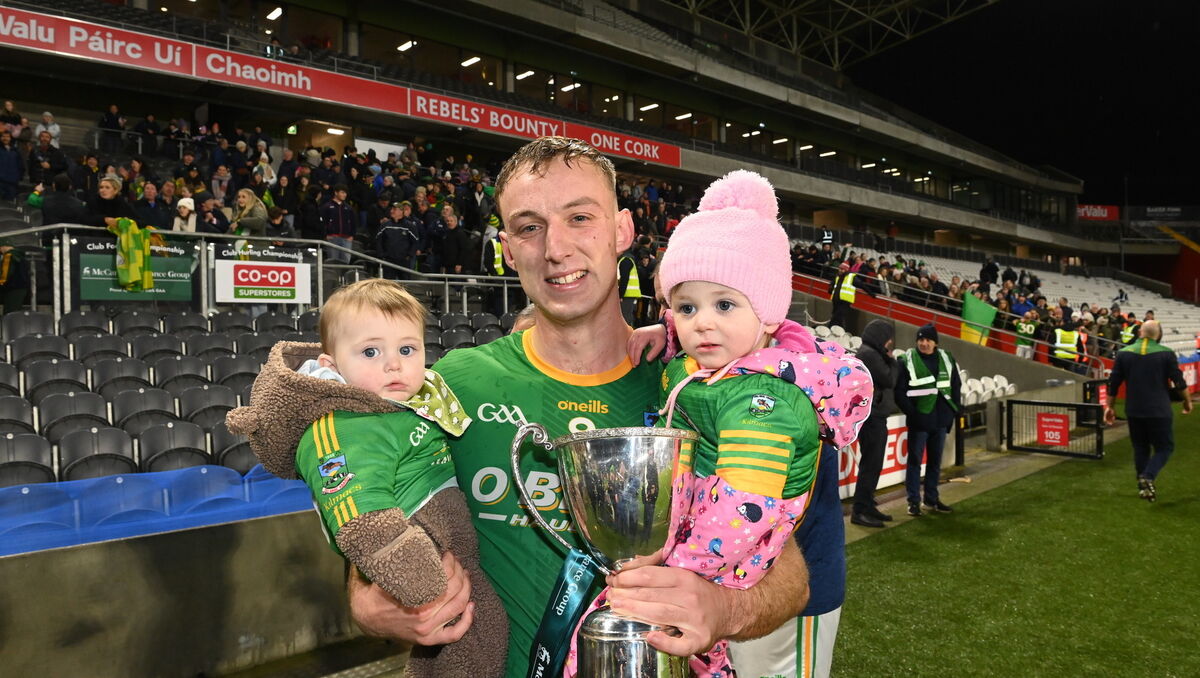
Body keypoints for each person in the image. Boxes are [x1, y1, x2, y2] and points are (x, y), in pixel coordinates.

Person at [348, 137, 812, 678]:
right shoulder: (453, 384)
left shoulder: (699, 389)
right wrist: (367, 605)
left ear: (622, 231)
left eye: (580, 218)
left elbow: (790, 577)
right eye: (529, 227)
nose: (556, 249)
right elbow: (374, 526)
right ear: (506, 247)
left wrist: (725, 608)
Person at [620, 170, 870, 677]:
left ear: (769, 314)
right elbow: (713, 318)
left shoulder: (769, 397)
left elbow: (743, 506)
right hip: (718, 576)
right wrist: (669, 327)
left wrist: (680, 571)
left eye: (724, 305)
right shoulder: (716, 360)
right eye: (686, 306)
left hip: (782, 593)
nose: (702, 322)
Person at [226, 279, 508, 677]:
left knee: (475, 640)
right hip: (428, 557)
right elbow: (363, 519)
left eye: (407, 350)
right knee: (471, 637)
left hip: (456, 549)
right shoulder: (344, 426)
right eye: (371, 352)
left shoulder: (416, 401)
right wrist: (414, 574)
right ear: (332, 366)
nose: (394, 364)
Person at [1104, 320, 1192, 502]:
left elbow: (1113, 383)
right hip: (1159, 408)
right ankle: (1148, 477)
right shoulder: (1166, 354)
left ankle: (1143, 488)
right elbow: (1179, 381)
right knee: (1165, 447)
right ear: (1158, 335)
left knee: (1140, 447)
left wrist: (1109, 406)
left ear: (1139, 333)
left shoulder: (1123, 353)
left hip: (1134, 409)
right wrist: (1187, 401)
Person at [894, 323, 961, 516]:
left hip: (940, 420)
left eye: (928, 340)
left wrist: (953, 410)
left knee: (935, 462)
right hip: (920, 421)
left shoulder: (947, 358)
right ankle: (913, 501)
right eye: (921, 339)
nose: (924, 343)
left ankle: (931, 499)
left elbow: (956, 385)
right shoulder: (906, 360)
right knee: (914, 462)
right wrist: (913, 414)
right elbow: (899, 392)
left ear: (935, 342)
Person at [851, 319, 897, 528]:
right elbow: (889, 379)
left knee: (874, 463)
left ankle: (867, 504)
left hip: (875, 415)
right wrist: (893, 361)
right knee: (871, 464)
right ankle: (860, 510)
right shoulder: (869, 354)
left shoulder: (870, 352)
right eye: (888, 338)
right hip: (872, 418)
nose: (890, 343)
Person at [321, 183, 356, 263]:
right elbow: (322, 222)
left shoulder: (349, 208)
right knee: (333, 263)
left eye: (345, 193)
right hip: (332, 238)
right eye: (342, 192)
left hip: (346, 239)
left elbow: (353, 223)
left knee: (346, 263)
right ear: (336, 193)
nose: (345, 195)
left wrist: (352, 235)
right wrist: (325, 234)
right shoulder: (327, 206)